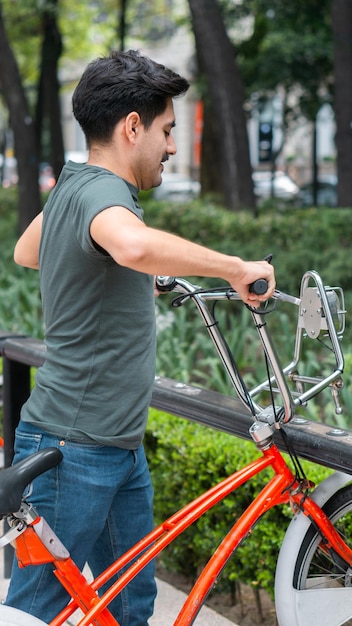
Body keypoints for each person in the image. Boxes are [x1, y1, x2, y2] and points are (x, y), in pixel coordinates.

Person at [6, 49, 275, 625]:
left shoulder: (75, 185)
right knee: (37, 611)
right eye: (167, 130)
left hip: (114, 446)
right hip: (71, 448)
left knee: (128, 606)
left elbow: (29, 251)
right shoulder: (104, 194)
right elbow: (128, 244)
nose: (172, 147)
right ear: (133, 126)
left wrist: (114, 269)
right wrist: (233, 266)